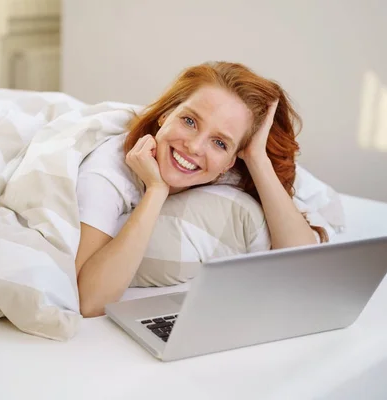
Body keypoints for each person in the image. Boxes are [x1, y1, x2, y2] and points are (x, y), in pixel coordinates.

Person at [75, 61, 327, 317]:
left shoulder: (225, 169)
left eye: (219, 142)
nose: (195, 147)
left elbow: (302, 264)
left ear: (231, 161)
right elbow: (89, 302)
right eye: (189, 121)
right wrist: (156, 190)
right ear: (165, 114)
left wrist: (256, 157)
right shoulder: (106, 172)